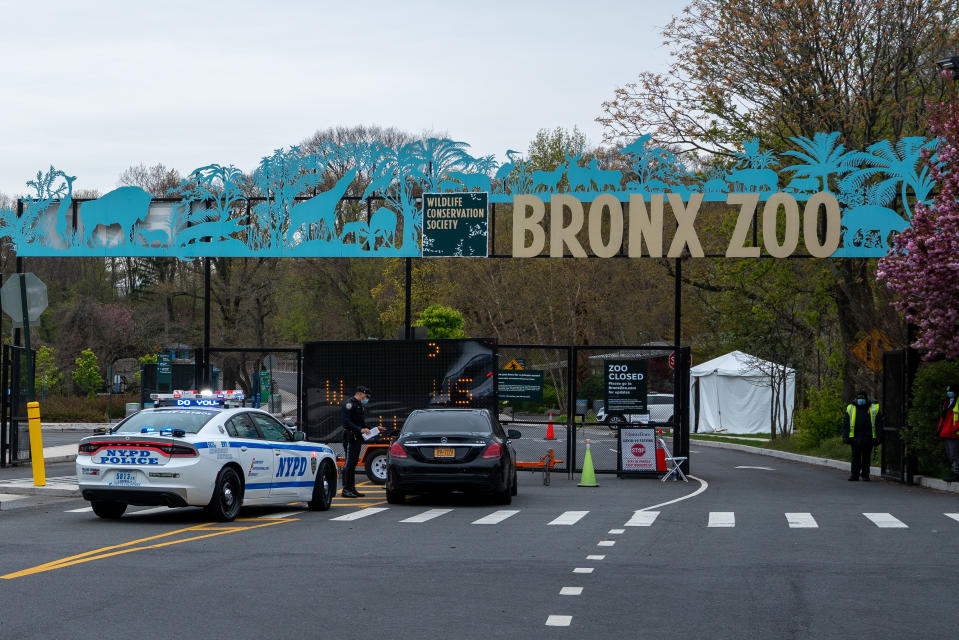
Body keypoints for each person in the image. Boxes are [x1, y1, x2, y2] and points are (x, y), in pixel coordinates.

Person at [842, 390, 882, 481]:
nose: (861, 400)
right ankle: (854, 475)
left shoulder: (873, 408)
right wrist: (845, 436)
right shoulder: (850, 408)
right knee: (855, 457)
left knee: (866, 458)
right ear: (856, 399)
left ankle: (865, 475)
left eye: (862, 398)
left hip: (869, 437)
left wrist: (879, 436)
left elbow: (879, 423)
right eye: (859, 398)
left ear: (866, 399)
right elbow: (846, 423)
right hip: (854, 437)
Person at [341, 385, 372, 498]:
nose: (366, 398)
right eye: (366, 395)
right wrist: (360, 429)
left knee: (353, 463)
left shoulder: (358, 405)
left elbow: (361, 423)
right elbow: (346, 422)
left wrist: (374, 429)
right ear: (360, 393)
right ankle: (346, 489)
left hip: (357, 438)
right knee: (349, 463)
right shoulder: (350, 404)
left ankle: (352, 488)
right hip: (350, 437)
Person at [936, 383, 959, 482]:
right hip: (947, 432)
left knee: (954, 455)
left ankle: (956, 473)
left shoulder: (956, 402)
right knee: (951, 455)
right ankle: (955, 472)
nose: (949, 393)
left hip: (954, 433)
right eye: (948, 391)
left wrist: (952, 429)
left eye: (951, 391)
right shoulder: (948, 401)